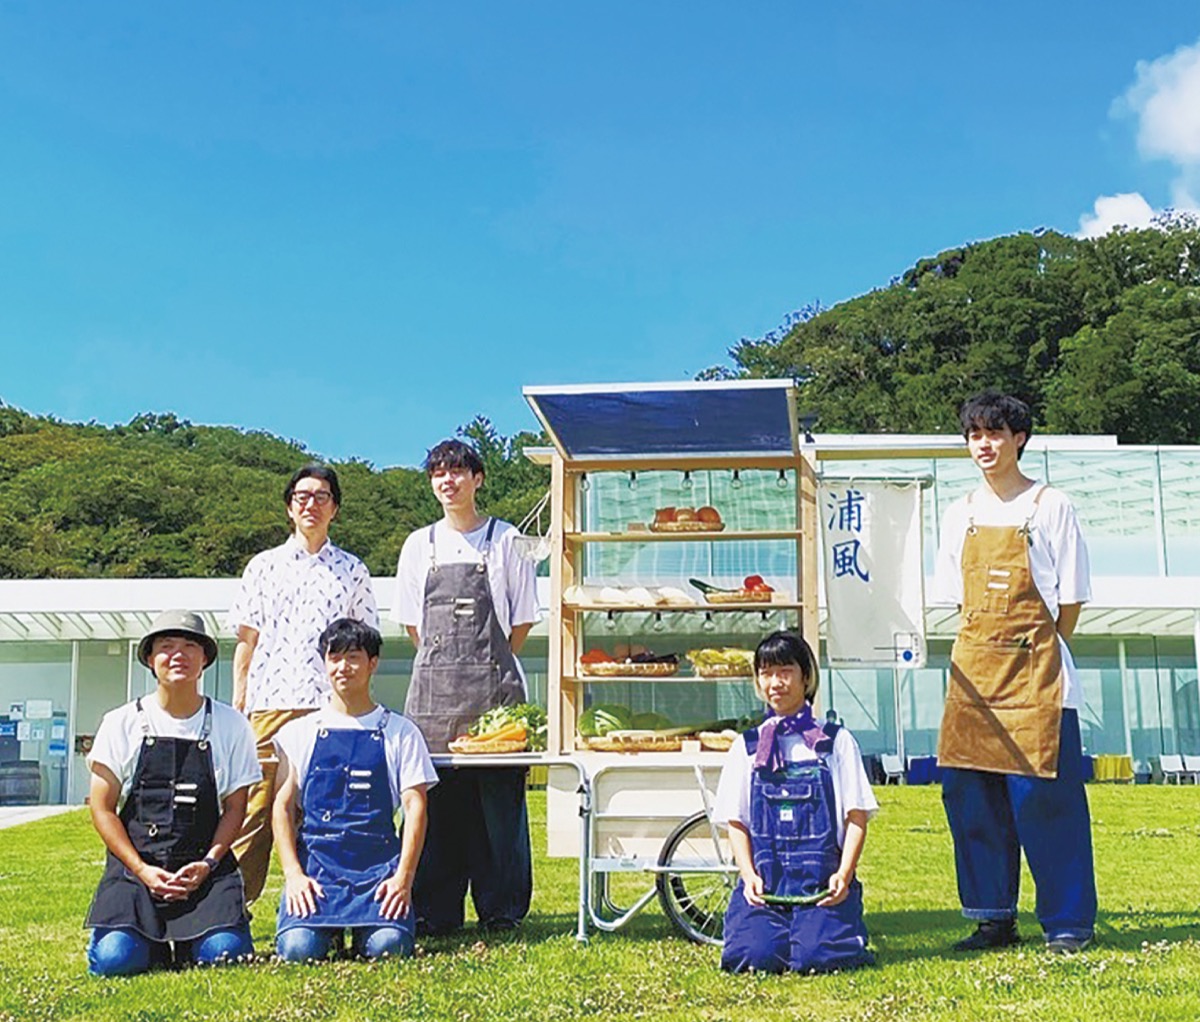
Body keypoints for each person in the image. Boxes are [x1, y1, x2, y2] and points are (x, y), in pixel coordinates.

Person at [934, 392, 1096, 954]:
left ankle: (1067, 922)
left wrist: (1035, 648)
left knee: (1046, 801)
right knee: (971, 799)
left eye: (995, 434)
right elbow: (959, 601)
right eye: (975, 435)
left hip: (1037, 678)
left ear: (1019, 439)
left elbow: (1070, 602)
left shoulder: (1051, 505)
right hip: (974, 678)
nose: (984, 445)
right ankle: (992, 919)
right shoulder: (959, 513)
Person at [391, 438, 538, 935]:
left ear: (478, 479)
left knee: (498, 809)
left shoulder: (506, 538)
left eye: (457, 471)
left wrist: (487, 665)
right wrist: (445, 665)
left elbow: (521, 621)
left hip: (495, 695)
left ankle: (501, 910)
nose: (447, 481)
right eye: (438, 473)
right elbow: (413, 625)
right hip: (432, 699)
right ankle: (435, 910)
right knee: (436, 806)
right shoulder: (419, 544)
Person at [227, 464, 379, 904]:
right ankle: (231, 910)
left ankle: (327, 906)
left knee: (325, 810)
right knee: (253, 810)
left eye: (321, 496)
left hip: (327, 708)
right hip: (268, 704)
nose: (311, 504)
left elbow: (364, 643)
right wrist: (240, 703)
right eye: (302, 497)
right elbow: (247, 640)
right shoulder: (262, 566)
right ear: (290, 508)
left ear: (335, 508)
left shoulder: (352, 570)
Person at [84, 611, 260, 976]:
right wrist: (142, 870)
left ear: (205, 659)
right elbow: (102, 809)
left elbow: (235, 808)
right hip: (136, 872)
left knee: (226, 955)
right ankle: (145, 943)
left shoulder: (232, 725)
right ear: (150, 659)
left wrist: (208, 863)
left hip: (204, 872)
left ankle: (191, 939)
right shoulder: (120, 723)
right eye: (166, 647)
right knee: (117, 959)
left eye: (190, 646)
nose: (178, 655)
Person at [272, 618, 437, 961]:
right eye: (334, 658)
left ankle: (368, 933)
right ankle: (322, 931)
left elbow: (415, 807)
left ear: (372, 663)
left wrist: (403, 879)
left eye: (353, 658)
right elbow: (282, 807)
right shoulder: (298, 732)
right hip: (317, 867)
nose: (342, 667)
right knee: (298, 950)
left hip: (378, 868)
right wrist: (294, 874)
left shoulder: (401, 732)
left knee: (388, 947)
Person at [712, 631, 877, 974]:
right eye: (766, 673)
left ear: (806, 677)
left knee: (817, 957)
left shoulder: (835, 742)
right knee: (753, 957)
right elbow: (736, 821)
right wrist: (748, 875)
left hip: (822, 886)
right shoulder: (746, 747)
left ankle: (826, 931)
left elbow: (856, 817)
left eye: (785, 671)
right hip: (766, 887)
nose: (775, 683)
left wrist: (844, 875)